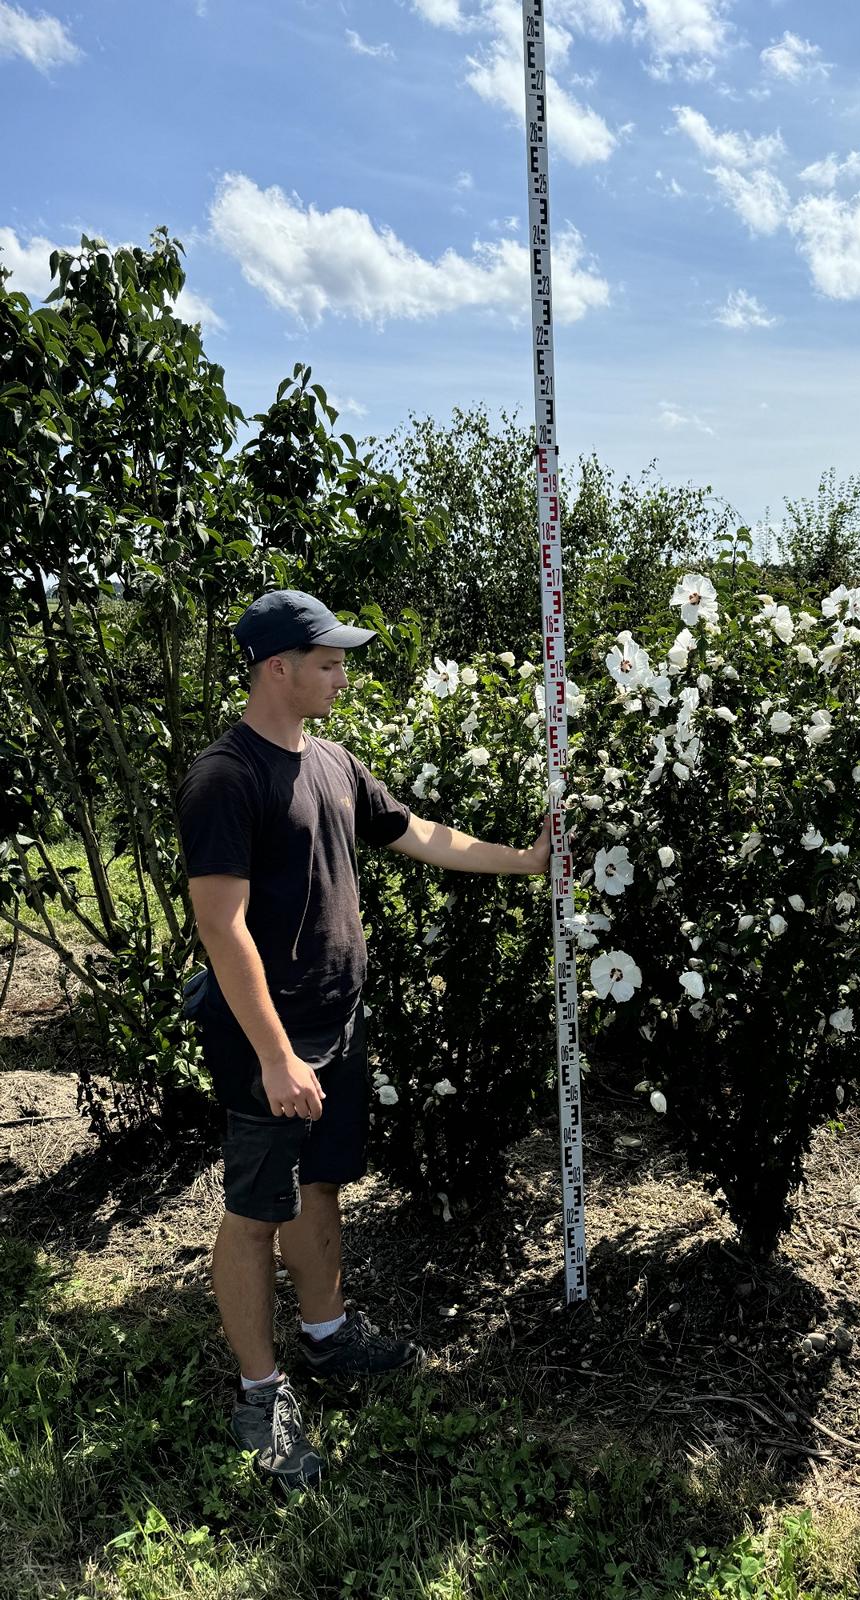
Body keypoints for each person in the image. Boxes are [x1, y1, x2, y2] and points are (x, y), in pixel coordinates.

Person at [174, 589, 550, 1489]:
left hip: (335, 1025)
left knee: (320, 1184)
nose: (343, 674)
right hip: (270, 1039)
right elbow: (221, 928)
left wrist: (525, 860)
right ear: (279, 668)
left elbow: (415, 832)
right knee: (256, 1210)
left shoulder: (332, 763)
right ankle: (260, 1396)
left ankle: (328, 1335)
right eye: (330, 661)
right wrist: (274, 1055)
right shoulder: (227, 779)